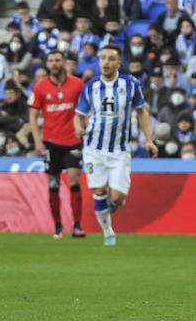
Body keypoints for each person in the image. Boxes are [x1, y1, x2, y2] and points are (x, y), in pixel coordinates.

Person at [74, 44, 158, 247]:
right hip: (94, 147)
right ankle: (107, 232)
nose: (106, 62)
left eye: (111, 58)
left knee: (117, 198)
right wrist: (78, 128)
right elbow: (79, 114)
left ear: (118, 62)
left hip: (119, 150)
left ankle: (113, 204)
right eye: (102, 58)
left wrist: (148, 140)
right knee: (99, 189)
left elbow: (142, 112)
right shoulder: (91, 86)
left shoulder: (131, 84)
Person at [28, 50, 86, 239]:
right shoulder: (40, 87)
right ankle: (58, 226)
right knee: (53, 183)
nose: (54, 63)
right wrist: (37, 141)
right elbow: (33, 116)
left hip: (73, 141)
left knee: (74, 179)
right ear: (47, 64)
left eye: (57, 60)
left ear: (64, 63)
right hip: (50, 143)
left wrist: (83, 127)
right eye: (51, 60)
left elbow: (85, 110)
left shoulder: (78, 84)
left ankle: (77, 225)